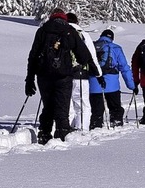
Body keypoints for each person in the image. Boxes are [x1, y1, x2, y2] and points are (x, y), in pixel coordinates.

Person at [25, 8, 99, 144]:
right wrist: (92, 67)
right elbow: (83, 54)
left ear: (51, 17)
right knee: (62, 106)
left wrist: (29, 79)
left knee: (48, 105)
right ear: (64, 17)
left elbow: (33, 56)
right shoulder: (69, 31)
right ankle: (62, 133)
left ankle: (44, 133)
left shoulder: (42, 31)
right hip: (64, 75)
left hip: (44, 75)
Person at [89, 29, 135, 129]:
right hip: (112, 85)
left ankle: (95, 127)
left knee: (96, 110)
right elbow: (124, 68)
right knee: (115, 108)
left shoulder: (91, 46)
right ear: (112, 38)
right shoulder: (116, 48)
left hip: (94, 83)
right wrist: (132, 86)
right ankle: (116, 124)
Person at [66, 12, 102, 131]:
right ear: (77, 22)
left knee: (68, 104)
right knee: (83, 105)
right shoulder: (84, 35)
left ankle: (67, 128)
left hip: (63, 75)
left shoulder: (61, 34)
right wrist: (98, 73)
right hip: (81, 74)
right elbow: (91, 55)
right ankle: (82, 129)